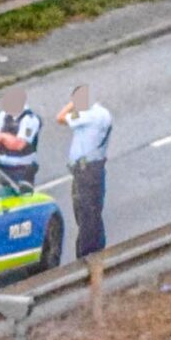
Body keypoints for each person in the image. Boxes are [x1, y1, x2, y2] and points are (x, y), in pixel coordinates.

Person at [56, 85, 113, 258]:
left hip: (86, 170)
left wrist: (72, 103)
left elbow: (60, 118)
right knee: (93, 212)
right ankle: (97, 254)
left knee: (86, 213)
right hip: (95, 169)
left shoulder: (87, 116)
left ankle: (86, 258)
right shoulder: (103, 113)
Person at [0, 87, 41, 186]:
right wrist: (6, 137)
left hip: (22, 169)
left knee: (22, 198)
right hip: (2, 165)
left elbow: (19, 145)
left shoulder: (30, 119)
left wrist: (1, 137)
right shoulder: (4, 114)